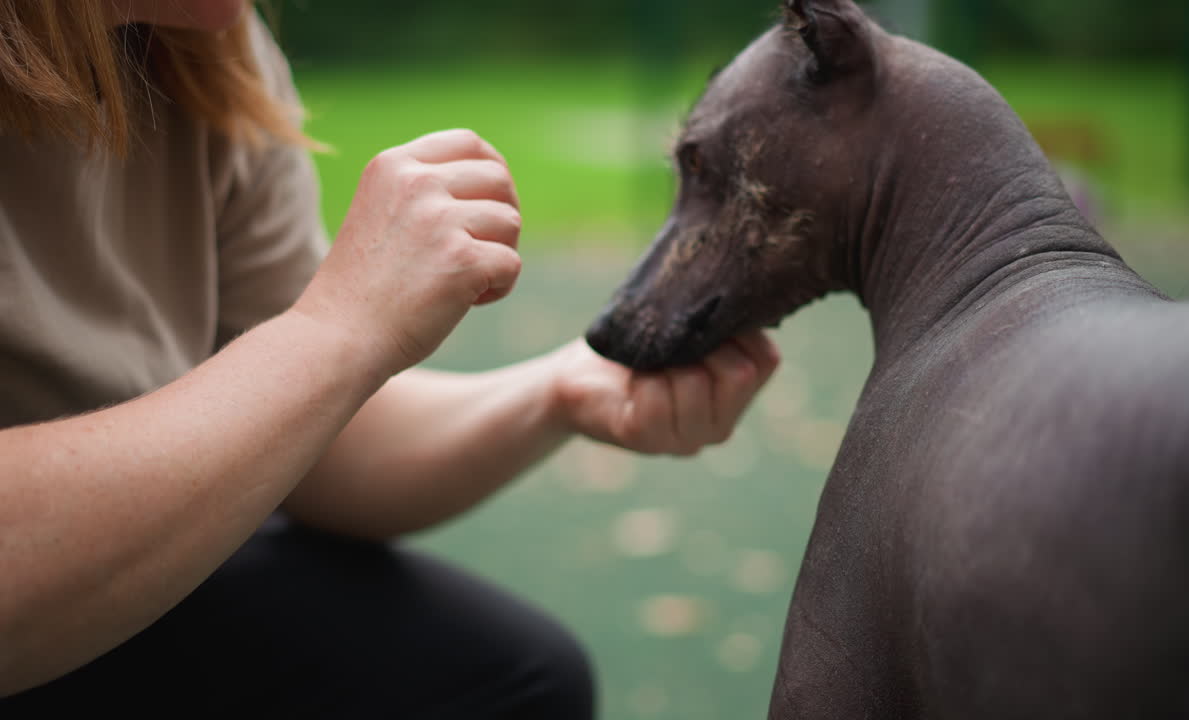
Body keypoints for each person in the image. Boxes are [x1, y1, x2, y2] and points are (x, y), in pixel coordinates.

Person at [0, 1, 779, 716]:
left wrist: (561, 390)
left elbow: (307, 436)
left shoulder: (209, 47)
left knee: (520, 678)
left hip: (142, 590)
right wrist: (333, 332)